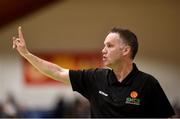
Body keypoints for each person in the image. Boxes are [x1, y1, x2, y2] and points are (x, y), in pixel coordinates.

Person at [12, 26, 175, 118]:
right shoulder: (95, 78)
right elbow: (58, 71)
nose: (103, 50)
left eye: (109, 46)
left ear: (126, 50)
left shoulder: (148, 83)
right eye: (104, 45)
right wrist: (26, 54)